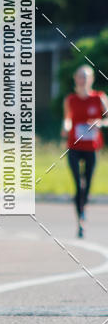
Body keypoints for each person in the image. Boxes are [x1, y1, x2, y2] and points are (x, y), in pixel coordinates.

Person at [61, 64, 108, 238]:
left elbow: (107, 119)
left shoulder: (100, 98)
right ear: (76, 79)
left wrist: (100, 123)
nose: (83, 80)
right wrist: (65, 128)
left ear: (91, 79)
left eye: (86, 77)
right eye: (80, 76)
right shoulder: (70, 99)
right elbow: (67, 120)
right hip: (73, 146)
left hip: (91, 148)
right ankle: (80, 220)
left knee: (86, 185)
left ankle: (83, 212)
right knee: (78, 185)